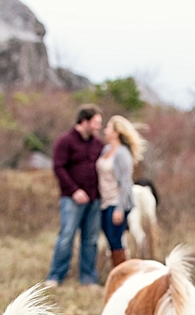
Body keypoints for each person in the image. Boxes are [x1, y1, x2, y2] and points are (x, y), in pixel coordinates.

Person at [44, 104, 104, 287]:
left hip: (94, 199)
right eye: (95, 123)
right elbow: (59, 167)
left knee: (91, 239)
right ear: (84, 121)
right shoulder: (65, 141)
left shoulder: (98, 144)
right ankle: (56, 276)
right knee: (67, 236)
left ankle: (88, 277)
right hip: (72, 199)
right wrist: (74, 190)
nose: (98, 127)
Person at [97, 115, 147, 269]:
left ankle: (123, 274)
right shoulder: (106, 150)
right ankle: (119, 272)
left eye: (108, 128)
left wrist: (120, 208)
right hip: (104, 202)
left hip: (117, 202)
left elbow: (126, 182)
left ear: (116, 133)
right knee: (111, 240)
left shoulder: (123, 153)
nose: (105, 130)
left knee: (116, 239)